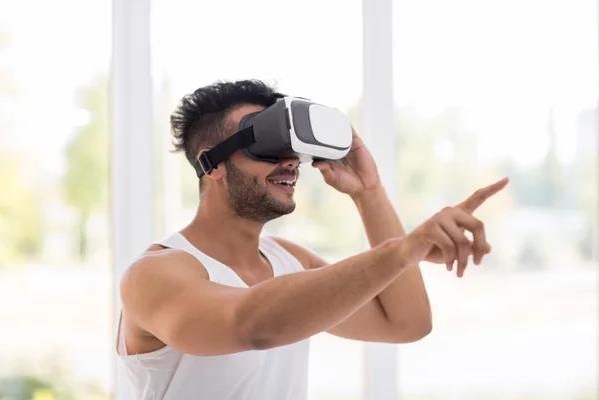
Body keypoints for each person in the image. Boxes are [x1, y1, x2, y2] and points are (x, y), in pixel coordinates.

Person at [116, 79, 508, 400]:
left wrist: (368, 192)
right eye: (267, 144)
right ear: (213, 163)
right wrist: (404, 249)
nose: (289, 162)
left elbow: (407, 323)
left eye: (292, 150)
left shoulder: (289, 260)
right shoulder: (154, 275)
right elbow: (250, 323)